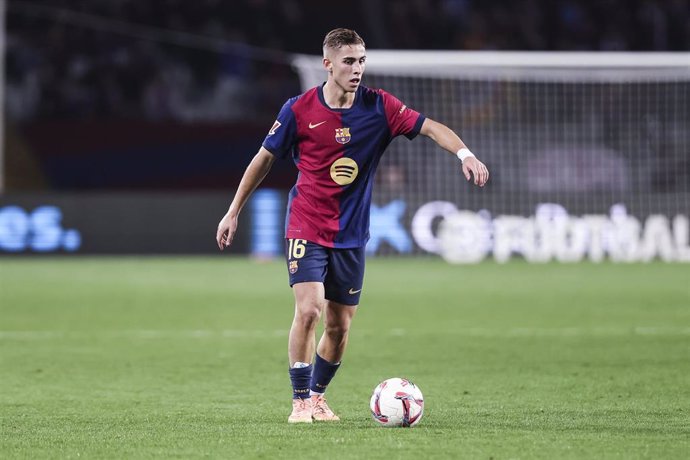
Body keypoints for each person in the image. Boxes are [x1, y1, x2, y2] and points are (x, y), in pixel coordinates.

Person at [215, 28, 489, 424]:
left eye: (361, 60)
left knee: (340, 327)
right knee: (309, 310)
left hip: (351, 234)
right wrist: (233, 210)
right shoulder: (298, 109)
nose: (357, 68)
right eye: (348, 61)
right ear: (328, 64)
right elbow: (263, 159)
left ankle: (319, 396)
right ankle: (299, 403)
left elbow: (430, 127)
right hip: (306, 224)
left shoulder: (380, 107)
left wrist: (464, 153)